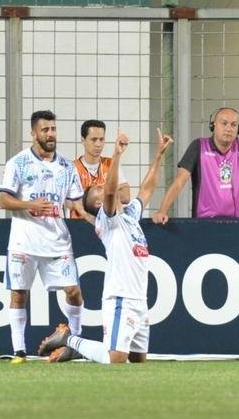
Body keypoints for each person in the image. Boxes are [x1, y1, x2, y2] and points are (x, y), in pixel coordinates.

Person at [39, 127, 173, 364]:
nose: (104, 186)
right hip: (120, 298)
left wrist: (159, 155)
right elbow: (111, 191)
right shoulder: (107, 218)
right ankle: (69, 339)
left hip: (139, 300)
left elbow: (148, 188)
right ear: (99, 203)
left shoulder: (130, 213)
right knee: (116, 360)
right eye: (99, 189)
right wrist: (117, 154)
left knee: (138, 361)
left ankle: (72, 346)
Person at [0, 110, 89, 363]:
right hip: (24, 241)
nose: (50, 134)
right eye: (45, 130)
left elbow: (76, 203)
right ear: (33, 133)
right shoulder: (17, 163)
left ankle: (75, 343)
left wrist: (92, 216)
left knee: (74, 291)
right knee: (19, 294)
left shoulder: (66, 167)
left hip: (57, 241)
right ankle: (18, 351)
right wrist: (29, 205)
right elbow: (4, 200)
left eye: (53, 129)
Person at [70, 119, 128, 219]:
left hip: (109, 224)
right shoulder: (71, 168)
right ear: (83, 140)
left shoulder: (112, 164)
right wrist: (111, 191)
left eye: (101, 139)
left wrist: (88, 195)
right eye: (94, 139)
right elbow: (69, 202)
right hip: (80, 224)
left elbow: (126, 196)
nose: (98, 144)